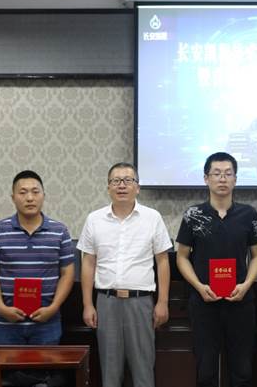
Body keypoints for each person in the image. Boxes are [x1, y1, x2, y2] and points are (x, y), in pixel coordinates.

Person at [78, 162, 171, 387]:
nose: (122, 185)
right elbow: (88, 263)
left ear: (137, 187)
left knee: (143, 371)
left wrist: (163, 302)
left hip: (141, 302)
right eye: (116, 181)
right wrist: (88, 304)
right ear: (108, 187)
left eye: (128, 180)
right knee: (110, 372)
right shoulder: (94, 219)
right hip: (106, 302)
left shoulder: (152, 217)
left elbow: (162, 261)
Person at [176, 152, 257, 387]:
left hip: (241, 302)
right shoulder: (193, 215)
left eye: (228, 174)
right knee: (205, 370)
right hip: (204, 302)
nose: (222, 179)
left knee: (242, 370)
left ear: (235, 179)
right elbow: (182, 257)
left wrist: (246, 285)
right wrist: (199, 286)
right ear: (206, 179)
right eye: (216, 173)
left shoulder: (248, 214)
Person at [0, 170, 75, 345]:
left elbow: (67, 273)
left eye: (35, 192)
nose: (30, 198)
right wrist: (1, 307)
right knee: (6, 364)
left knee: (46, 364)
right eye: (23, 192)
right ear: (13, 197)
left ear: (43, 196)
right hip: (6, 322)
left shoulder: (60, 231)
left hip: (47, 322)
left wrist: (53, 307)